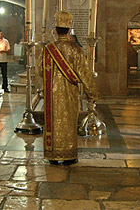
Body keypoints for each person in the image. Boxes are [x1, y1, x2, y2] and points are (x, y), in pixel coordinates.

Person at [37, 11, 99, 166]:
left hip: (51, 95)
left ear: (56, 30)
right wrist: (92, 94)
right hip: (70, 94)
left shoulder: (47, 50)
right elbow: (85, 74)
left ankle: (53, 155)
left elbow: (39, 70)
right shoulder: (76, 50)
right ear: (69, 29)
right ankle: (69, 154)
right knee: (69, 122)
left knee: (53, 121)